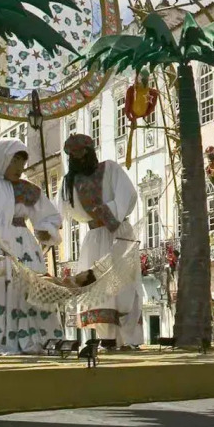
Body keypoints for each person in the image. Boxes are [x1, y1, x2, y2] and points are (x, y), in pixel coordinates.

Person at [0, 136, 64, 354]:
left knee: (30, 289)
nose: (19, 168)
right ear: (1, 159)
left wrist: (45, 229)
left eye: (21, 164)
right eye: (14, 161)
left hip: (23, 245)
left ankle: (34, 337)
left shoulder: (29, 190)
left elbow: (50, 215)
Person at [60, 133, 146, 349]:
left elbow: (128, 194)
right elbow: (60, 210)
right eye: (74, 155)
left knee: (124, 286)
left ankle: (129, 339)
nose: (79, 158)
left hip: (119, 233)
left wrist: (108, 214)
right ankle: (106, 338)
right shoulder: (69, 182)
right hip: (95, 237)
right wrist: (50, 228)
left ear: (90, 152)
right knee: (98, 286)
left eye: (82, 153)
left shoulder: (110, 169)